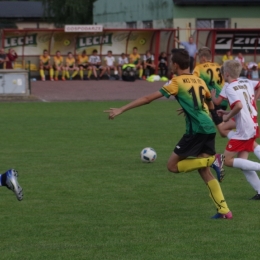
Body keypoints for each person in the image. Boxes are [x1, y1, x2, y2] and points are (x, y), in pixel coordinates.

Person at [105, 49, 232, 219]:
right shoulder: (200, 81)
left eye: (172, 62)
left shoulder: (176, 82)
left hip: (196, 130)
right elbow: (209, 105)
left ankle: (214, 160)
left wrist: (122, 108)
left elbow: (147, 99)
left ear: (176, 65)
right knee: (204, 171)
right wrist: (190, 109)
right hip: (208, 128)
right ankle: (224, 210)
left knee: (172, 166)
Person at [211, 74, 260, 200]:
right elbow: (243, 105)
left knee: (226, 160)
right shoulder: (246, 82)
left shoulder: (230, 86)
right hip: (250, 123)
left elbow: (238, 106)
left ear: (226, 74)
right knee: (242, 164)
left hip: (244, 127)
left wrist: (226, 117)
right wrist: (227, 112)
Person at [193, 47, 227, 181]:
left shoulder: (198, 68)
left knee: (203, 127)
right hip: (223, 101)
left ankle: (211, 158)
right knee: (222, 130)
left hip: (209, 102)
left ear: (201, 58)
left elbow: (195, 86)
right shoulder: (218, 66)